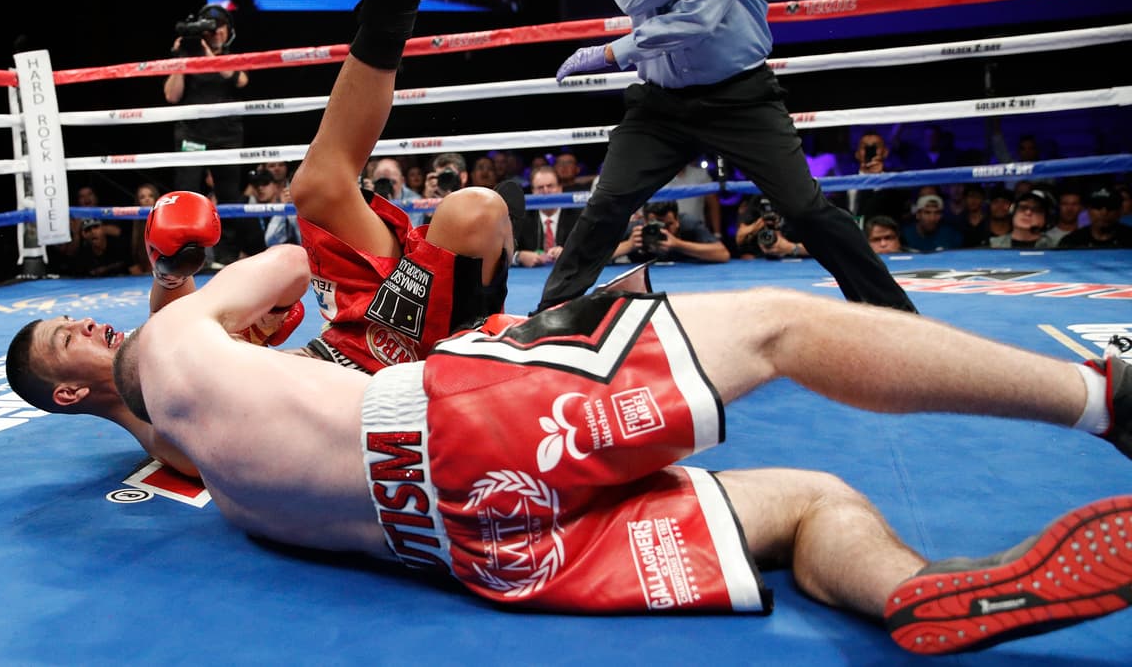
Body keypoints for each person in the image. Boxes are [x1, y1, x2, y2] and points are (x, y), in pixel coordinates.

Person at [113, 241, 1132, 657]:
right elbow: (291, 258)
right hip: (454, 427)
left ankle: (907, 590)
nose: (98, 328)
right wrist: (211, 296)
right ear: (93, 378)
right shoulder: (168, 337)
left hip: (486, 551)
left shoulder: (231, 496)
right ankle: (1101, 399)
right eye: (78, 337)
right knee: (780, 325)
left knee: (811, 501)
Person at [4, 0, 569, 476]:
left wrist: (181, 282)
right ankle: (481, 344)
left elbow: (262, 287)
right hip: (400, 377)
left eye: (68, 319)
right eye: (67, 339)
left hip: (356, 338)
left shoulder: (165, 357)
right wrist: (238, 322)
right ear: (68, 393)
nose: (84, 323)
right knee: (475, 212)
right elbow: (273, 290)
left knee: (321, 188)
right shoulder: (171, 433)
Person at [540, 0, 915, 315]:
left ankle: (895, 318)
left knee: (805, 210)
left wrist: (614, 52)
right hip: (659, 103)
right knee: (605, 205)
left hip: (740, 96)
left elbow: (701, 18)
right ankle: (547, 318)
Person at [163, 3, 253, 266]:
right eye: (210, 28)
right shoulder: (188, 58)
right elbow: (171, 95)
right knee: (187, 195)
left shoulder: (233, 57)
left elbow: (240, 80)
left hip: (226, 136)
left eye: (219, 27)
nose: (215, 33)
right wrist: (182, 60)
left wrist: (208, 55)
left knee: (228, 196)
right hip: (192, 136)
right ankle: (186, 256)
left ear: (228, 31)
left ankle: (226, 257)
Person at [615, 200, 730, 264]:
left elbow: (723, 254)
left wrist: (678, 244)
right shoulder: (636, 231)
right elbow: (603, 254)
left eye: (668, 224)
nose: (663, 230)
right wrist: (628, 245)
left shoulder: (689, 225)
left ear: (677, 220)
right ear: (644, 221)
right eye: (656, 225)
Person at [513, 165, 580, 268]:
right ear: (533, 191)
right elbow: (500, 252)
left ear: (560, 188)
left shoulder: (577, 215)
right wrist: (519, 256)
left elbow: (591, 248)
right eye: (540, 188)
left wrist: (569, 253)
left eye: (550, 186)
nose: (545, 191)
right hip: (531, 275)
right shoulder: (521, 217)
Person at [1059, 186, 1132, 248]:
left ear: (1119, 211)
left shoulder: (1129, 238)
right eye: (1098, 206)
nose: (1104, 212)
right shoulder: (1071, 242)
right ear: (1088, 210)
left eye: (1110, 206)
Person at [988, 189, 1060, 250]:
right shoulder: (993, 245)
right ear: (1012, 211)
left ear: (1046, 218)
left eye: (1036, 209)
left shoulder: (1056, 247)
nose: (1028, 213)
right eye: (1023, 207)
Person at [899, 194, 964, 253]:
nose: (932, 218)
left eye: (937, 213)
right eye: (927, 212)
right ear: (918, 215)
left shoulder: (952, 236)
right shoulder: (905, 235)